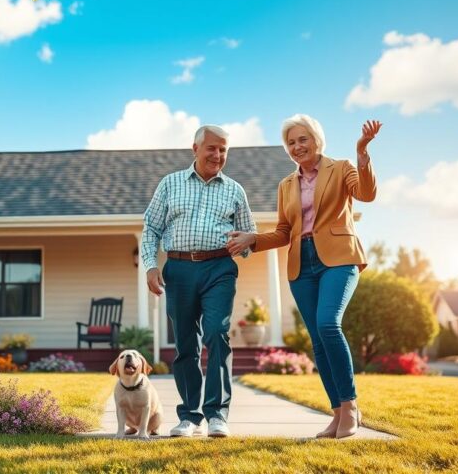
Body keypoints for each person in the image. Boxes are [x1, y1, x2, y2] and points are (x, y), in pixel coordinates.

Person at [226, 116, 381, 439]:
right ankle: (337, 413)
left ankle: (351, 406)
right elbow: (284, 232)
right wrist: (253, 239)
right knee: (318, 341)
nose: (297, 147)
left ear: (317, 140)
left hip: (339, 258)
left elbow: (366, 194)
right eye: (292, 142)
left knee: (328, 324)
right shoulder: (286, 185)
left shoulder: (340, 168)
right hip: (302, 264)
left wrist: (362, 152)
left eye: (303, 139)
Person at [141, 125, 256, 438]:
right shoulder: (170, 184)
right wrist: (151, 266)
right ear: (196, 148)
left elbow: (249, 235)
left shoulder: (235, 190)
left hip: (219, 267)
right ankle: (190, 416)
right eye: (212, 148)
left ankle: (217, 413)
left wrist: (246, 241)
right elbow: (150, 228)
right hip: (178, 269)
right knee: (185, 345)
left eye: (223, 150)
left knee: (218, 333)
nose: (217, 155)